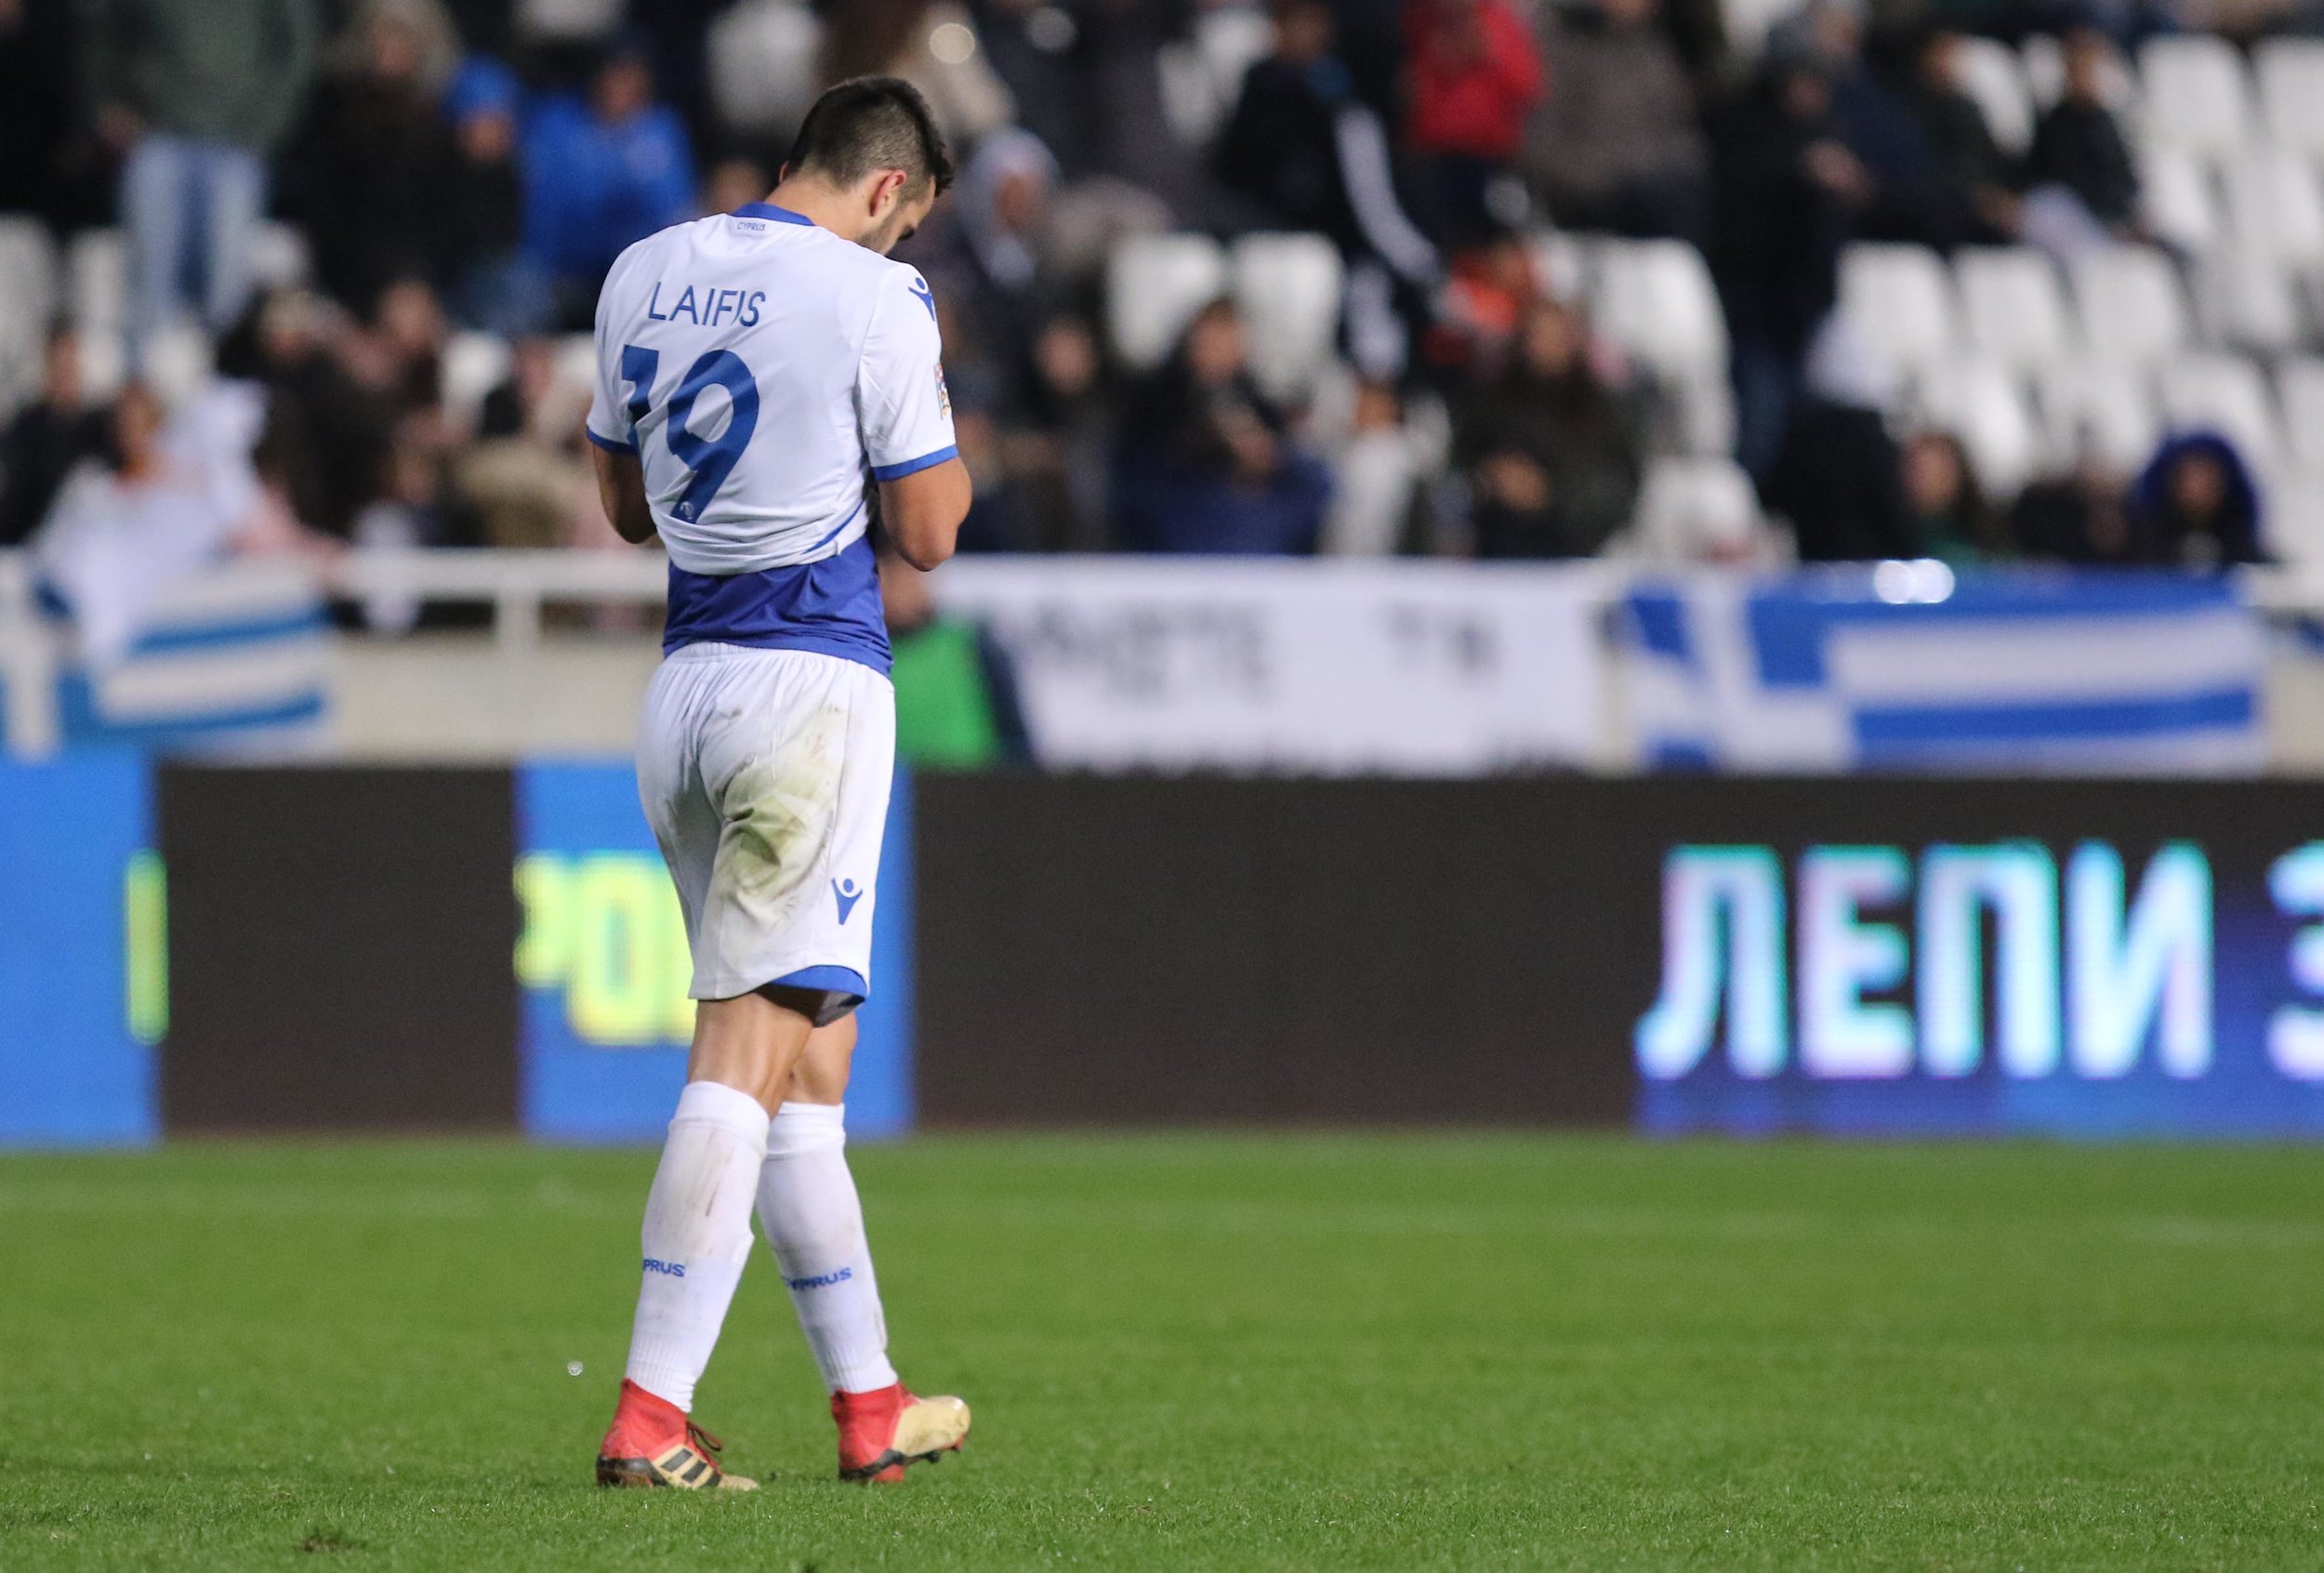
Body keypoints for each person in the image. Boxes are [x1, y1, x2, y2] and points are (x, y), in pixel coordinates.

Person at [585, 76, 973, 1492]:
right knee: (744, 1056)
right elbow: (928, 530)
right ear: (888, 191)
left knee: (810, 1066)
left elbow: (627, 508)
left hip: (682, 695)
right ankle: (649, 1411)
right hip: (805, 697)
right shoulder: (879, 299)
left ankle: (870, 1403)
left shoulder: (646, 268)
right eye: (909, 221)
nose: (901, 243)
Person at [85, 0, 320, 365]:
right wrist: (106, 103)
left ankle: (222, 394)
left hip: (235, 142)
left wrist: (266, 122)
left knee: (226, 292)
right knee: (150, 289)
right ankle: (144, 403)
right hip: (158, 134)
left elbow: (296, 45)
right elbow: (107, 31)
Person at [1114, 297, 1332, 555]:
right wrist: (1210, 443)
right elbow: (1139, 463)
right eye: (1213, 339)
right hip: (1185, 506)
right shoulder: (1160, 394)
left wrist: (1262, 456)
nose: (1220, 349)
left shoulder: (1254, 395)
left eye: (1229, 340)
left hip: (1252, 506)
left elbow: (1284, 453)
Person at [0, 324, 111, 547]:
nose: (66, 374)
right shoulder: (25, 426)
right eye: (58, 365)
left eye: (71, 364)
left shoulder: (101, 426)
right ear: (47, 367)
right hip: (25, 546)